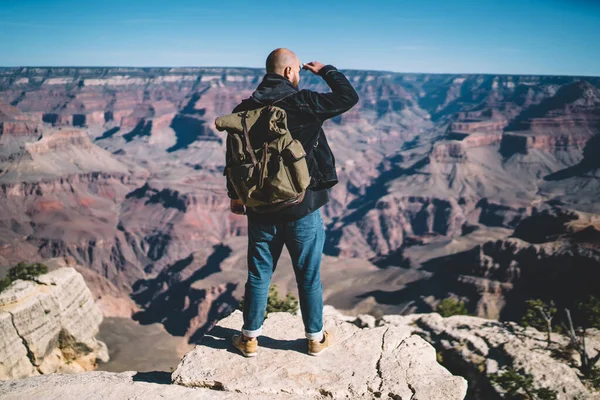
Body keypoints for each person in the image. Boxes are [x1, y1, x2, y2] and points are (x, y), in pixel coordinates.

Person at [228, 48, 359, 357]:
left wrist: (235, 194)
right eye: (297, 70)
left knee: (259, 275)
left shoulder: (244, 109)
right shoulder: (303, 103)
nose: (299, 75)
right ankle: (315, 338)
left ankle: (249, 339)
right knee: (308, 276)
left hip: (260, 208)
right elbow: (347, 98)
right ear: (289, 73)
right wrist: (326, 70)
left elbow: (235, 156)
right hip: (303, 207)